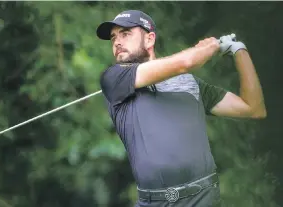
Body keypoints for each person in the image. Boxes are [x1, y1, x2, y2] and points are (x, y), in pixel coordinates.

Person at [96, 10, 266, 207]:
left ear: (150, 39)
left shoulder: (190, 83)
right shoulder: (113, 78)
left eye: (125, 34)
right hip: (153, 202)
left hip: (204, 198)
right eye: (113, 38)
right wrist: (206, 49)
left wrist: (239, 50)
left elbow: (253, 109)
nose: (117, 42)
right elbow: (186, 62)